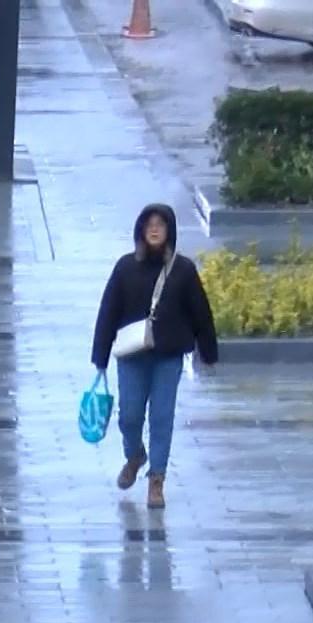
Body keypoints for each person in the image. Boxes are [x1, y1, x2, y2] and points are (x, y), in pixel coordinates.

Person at [90, 203, 219, 510]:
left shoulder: (183, 270)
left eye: (161, 223)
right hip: (132, 357)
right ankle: (135, 455)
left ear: (170, 230)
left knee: (162, 418)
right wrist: (100, 356)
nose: (155, 228)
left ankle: (156, 480)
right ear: (141, 229)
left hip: (168, 357)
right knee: (129, 416)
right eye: (149, 223)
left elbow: (201, 312)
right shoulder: (125, 267)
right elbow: (108, 312)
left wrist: (208, 351)